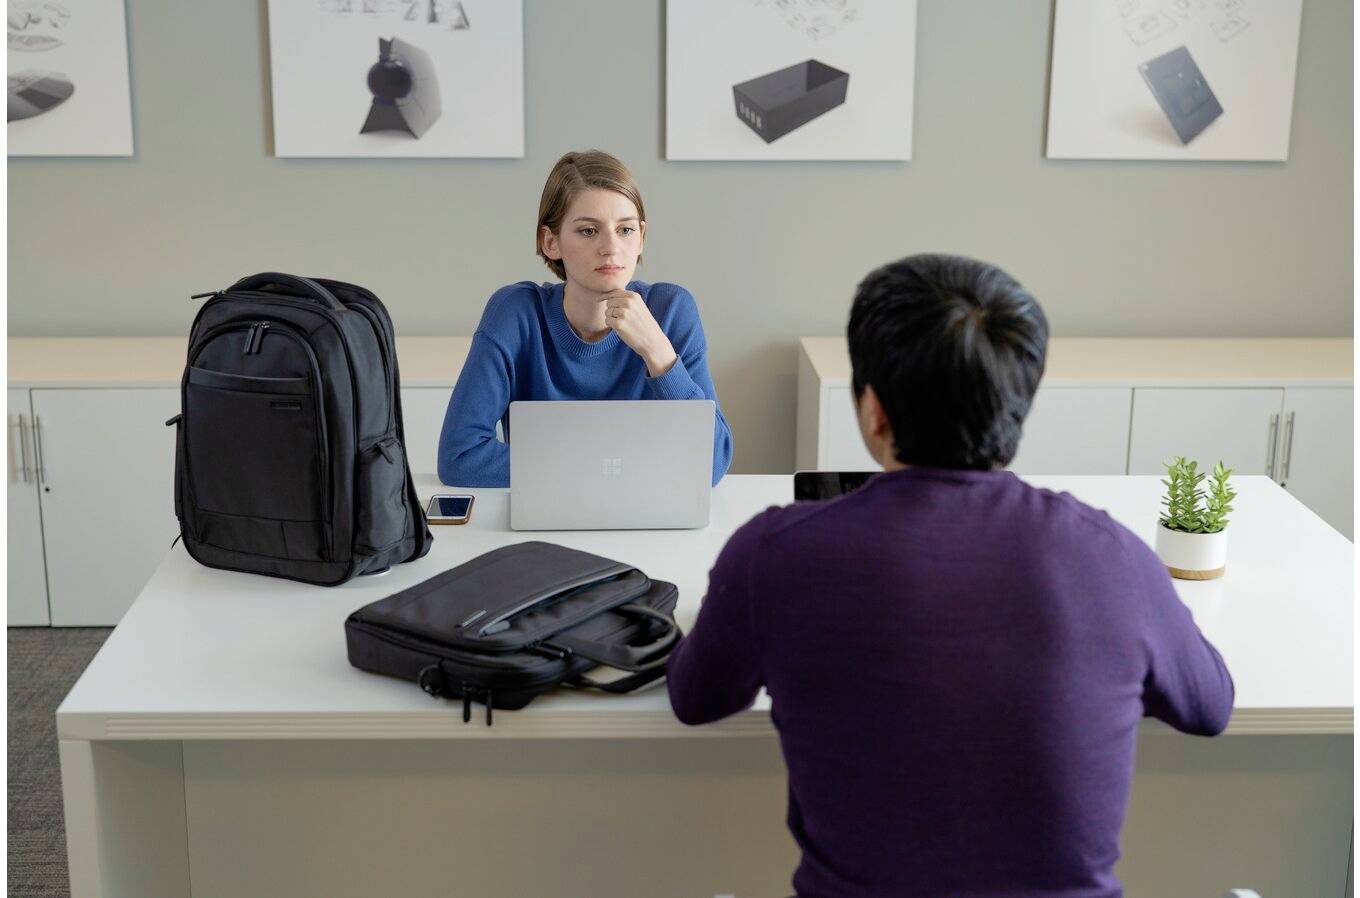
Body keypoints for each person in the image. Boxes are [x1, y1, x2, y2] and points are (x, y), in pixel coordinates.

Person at [666, 253, 1234, 898]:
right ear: (1017, 404)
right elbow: (1209, 706)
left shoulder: (772, 555)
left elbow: (694, 698)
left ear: (873, 409)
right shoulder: (1113, 557)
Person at [437, 149, 733, 487]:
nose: (611, 247)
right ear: (551, 242)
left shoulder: (672, 310)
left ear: (641, 238)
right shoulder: (515, 314)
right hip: (546, 521)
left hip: (646, 525)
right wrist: (612, 468)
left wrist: (659, 353)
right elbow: (460, 458)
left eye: (625, 230)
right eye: (589, 231)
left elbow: (712, 464)